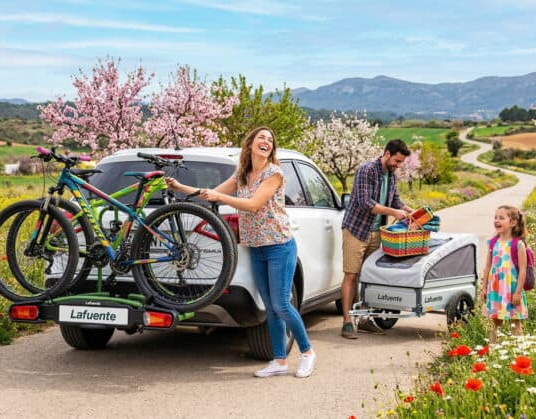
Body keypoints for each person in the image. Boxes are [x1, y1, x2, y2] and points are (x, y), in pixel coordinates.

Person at [165, 127, 316, 378]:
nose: (266, 141)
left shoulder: (274, 173)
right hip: (256, 248)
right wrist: (180, 187)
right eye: (261, 138)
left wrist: (221, 198)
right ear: (251, 144)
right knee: (269, 306)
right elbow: (211, 192)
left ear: (271, 148)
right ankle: (279, 361)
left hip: (279, 246)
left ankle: (308, 353)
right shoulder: (242, 174)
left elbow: (254, 204)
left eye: (270, 139)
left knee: (281, 304)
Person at [340, 139, 413, 339]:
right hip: (356, 229)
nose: (398, 165)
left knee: (369, 277)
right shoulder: (367, 170)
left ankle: (364, 319)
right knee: (351, 275)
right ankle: (347, 321)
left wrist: (410, 211)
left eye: (401, 163)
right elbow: (366, 203)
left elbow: (395, 199)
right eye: (397, 161)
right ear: (387, 153)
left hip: (377, 231)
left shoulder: (392, 175)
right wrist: (394, 212)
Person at [480, 205, 529, 343]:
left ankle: (519, 352)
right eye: (495, 217)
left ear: (512, 223)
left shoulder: (518, 244)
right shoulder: (493, 242)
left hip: (512, 290)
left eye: (501, 218)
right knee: (495, 323)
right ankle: (493, 350)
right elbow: (488, 266)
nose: (496, 220)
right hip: (496, 290)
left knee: (515, 323)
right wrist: (484, 288)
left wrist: (518, 292)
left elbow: (523, 270)